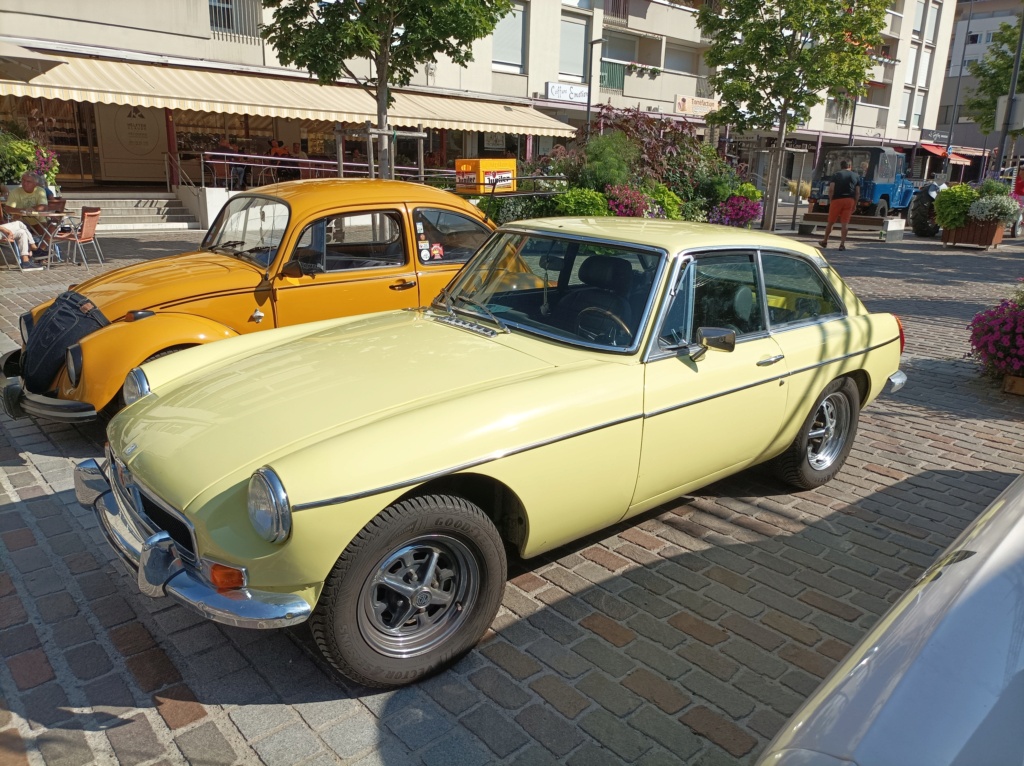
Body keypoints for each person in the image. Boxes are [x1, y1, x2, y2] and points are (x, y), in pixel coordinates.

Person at [819, 159, 861, 251]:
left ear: (841, 166)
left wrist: (831, 200)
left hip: (837, 200)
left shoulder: (836, 175)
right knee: (845, 223)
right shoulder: (856, 176)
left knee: (831, 222)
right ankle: (842, 244)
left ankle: (825, 241)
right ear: (850, 166)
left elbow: (831, 189)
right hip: (849, 200)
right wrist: (855, 204)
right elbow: (857, 192)